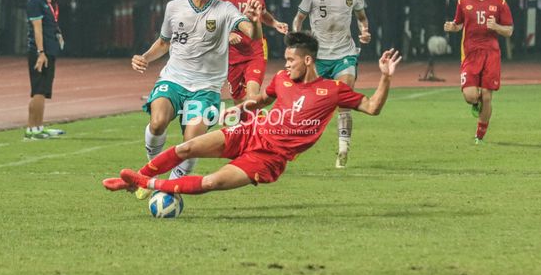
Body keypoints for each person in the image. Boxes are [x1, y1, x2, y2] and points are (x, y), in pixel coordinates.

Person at [102, 32, 401, 196]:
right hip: (251, 131)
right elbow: (261, 101)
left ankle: (144, 184)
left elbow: (372, 107)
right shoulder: (282, 80)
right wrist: (242, 107)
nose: (285, 66)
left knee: (211, 183)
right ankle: (135, 178)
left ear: (308, 61)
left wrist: (385, 77)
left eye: (290, 60)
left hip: (269, 157)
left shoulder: (333, 90)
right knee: (186, 147)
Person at [130, 0, 262, 199]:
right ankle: (152, 172)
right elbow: (164, 42)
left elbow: (251, 33)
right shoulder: (174, 7)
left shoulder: (225, 9)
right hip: (174, 80)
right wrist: (145, 57)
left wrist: (255, 22)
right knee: (158, 122)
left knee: (192, 141)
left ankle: (172, 189)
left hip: (206, 88)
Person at [292, 0, 371, 168]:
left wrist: (364, 31)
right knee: (307, 105)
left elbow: (362, 18)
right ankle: (293, 146)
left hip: (345, 54)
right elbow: (298, 19)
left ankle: (343, 150)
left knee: (344, 101)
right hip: (319, 56)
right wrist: (296, 42)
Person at [443, 0, 513, 145]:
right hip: (470, 54)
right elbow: (458, 24)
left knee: (488, 96)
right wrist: (452, 27)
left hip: (491, 54)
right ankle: (476, 103)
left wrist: (496, 26)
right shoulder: (463, 1)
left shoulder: (500, 3)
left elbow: (509, 30)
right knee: (470, 96)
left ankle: (480, 135)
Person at [213, 0, 289, 104]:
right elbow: (212, 25)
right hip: (232, 55)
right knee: (239, 104)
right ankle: (243, 127)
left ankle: (260, 126)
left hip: (256, 50)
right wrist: (228, 34)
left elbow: (262, 13)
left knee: (252, 97)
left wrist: (274, 23)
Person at [25, 0, 66, 140]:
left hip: (49, 50)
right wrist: (40, 52)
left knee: (43, 90)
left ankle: (39, 126)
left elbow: (51, 24)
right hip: (41, 52)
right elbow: (37, 29)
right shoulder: (35, 2)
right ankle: (32, 129)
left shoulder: (49, 2)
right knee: (38, 90)